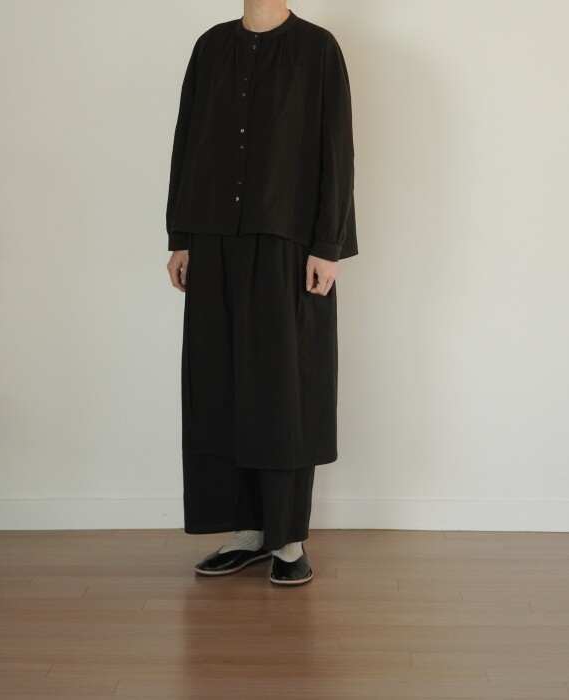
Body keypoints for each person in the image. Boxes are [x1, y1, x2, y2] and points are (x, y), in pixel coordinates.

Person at [165, 0, 358, 586]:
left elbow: (336, 148)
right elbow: (187, 140)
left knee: (283, 389)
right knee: (220, 382)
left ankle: (288, 539)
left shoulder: (318, 48)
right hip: (212, 238)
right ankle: (247, 531)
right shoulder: (210, 47)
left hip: (287, 242)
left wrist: (328, 244)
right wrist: (181, 236)